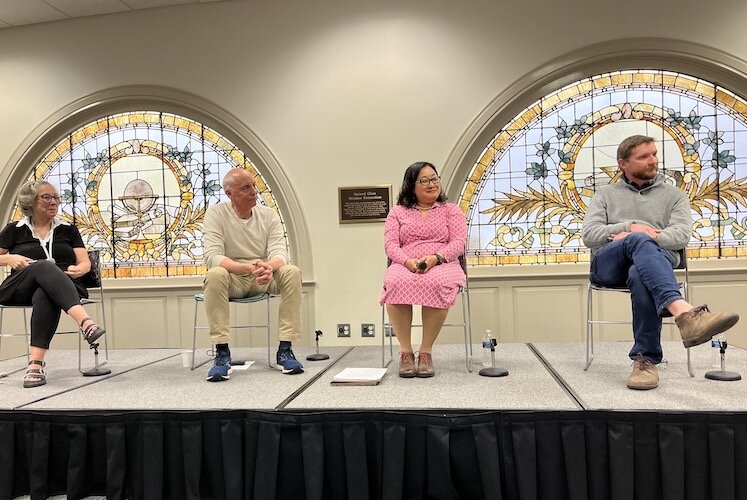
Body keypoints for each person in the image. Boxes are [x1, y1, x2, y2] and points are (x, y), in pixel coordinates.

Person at [582, 135, 739, 390]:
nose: (653, 160)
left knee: (639, 271)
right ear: (623, 163)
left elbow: (681, 235)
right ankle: (685, 314)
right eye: (644, 156)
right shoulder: (605, 195)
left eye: (654, 154)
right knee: (637, 240)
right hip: (610, 263)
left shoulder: (673, 195)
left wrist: (646, 236)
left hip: (655, 262)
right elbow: (589, 235)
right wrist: (629, 228)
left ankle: (644, 360)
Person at [0, 180, 105, 388]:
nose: (53, 202)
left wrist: (81, 269)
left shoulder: (68, 230)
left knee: (45, 292)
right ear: (30, 202)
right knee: (43, 266)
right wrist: (9, 259)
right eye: (46, 197)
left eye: (56, 197)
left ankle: (35, 364)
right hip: (20, 286)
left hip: (65, 284)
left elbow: (84, 262)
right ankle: (86, 323)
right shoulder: (15, 230)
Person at [202, 168, 303, 381]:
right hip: (234, 279)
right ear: (229, 194)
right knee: (214, 274)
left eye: (254, 186)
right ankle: (221, 353)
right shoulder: (216, 214)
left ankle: (285, 349)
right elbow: (213, 256)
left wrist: (268, 267)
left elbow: (280, 253)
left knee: (292, 271)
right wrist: (247, 268)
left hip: (262, 277)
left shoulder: (268, 215)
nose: (254, 192)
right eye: (246, 188)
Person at [380, 161, 467, 378]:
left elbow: (458, 242)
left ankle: (426, 351)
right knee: (395, 282)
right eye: (424, 181)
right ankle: (406, 352)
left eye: (434, 179)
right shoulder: (397, 212)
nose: (431, 184)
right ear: (411, 185)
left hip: (443, 261)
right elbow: (391, 245)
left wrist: (435, 258)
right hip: (406, 261)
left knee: (436, 282)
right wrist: (408, 262)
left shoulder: (451, 210)